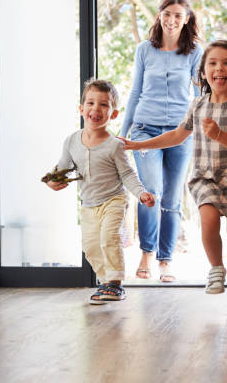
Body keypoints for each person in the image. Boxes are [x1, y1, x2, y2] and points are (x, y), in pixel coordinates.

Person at [121, 40, 227, 301]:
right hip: (206, 177)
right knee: (208, 222)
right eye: (212, 63)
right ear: (202, 72)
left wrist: (219, 134)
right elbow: (177, 136)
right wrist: (138, 143)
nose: (219, 68)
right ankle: (216, 269)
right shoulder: (198, 105)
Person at [46, 78, 155, 304]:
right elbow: (63, 167)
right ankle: (106, 282)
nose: (96, 109)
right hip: (88, 204)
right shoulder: (71, 141)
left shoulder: (115, 145)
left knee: (109, 239)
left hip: (113, 200)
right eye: (91, 103)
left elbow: (127, 174)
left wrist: (141, 193)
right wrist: (52, 181)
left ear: (113, 114)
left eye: (104, 105)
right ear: (81, 109)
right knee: (91, 246)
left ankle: (115, 283)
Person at [120, 0, 203, 282]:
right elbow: (134, 92)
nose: (171, 20)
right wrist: (122, 134)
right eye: (167, 14)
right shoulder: (145, 49)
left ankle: (165, 260)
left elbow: (199, 96)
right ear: (159, 15)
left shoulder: (195, 52)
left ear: (186, 19)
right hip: (145, 129)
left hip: (181, 133)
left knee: (171, 198)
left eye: (177, 16)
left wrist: (200, 132)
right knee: (150, 192)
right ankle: (146, 253)